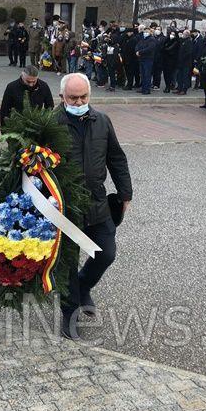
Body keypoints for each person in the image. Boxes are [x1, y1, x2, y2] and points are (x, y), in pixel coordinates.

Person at [55, 73, 133, 340]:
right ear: (62, 97)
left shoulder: (102, 121)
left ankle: (83, 284)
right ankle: (69, 314)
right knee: (67, 262)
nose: (79, 102)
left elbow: (116, 158)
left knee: (106, 253)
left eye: (83, 97)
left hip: (97, 201)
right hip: (65, 206)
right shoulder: (51, 124)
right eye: (73, 98)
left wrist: (125, 193)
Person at [134, 26, 157, 95]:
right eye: (145, 31)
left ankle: (147, 89)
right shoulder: (142, 38)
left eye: (147, 31)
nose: (146, 33)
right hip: (141, 58)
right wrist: (137, 51)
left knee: (147, 75)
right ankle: (143, 88)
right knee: (142, 75)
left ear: (150, 32)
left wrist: (140, 52)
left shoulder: (152, 39)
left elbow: (149, 48)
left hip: (148, 59)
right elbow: (137, 45)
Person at [174, 29, 195, 95]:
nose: (182, 35)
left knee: (185, 77)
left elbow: (188, 53)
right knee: (179, 76)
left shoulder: (189, 42)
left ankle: (184, 89)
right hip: (180, 63)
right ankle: (179, 88)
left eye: (183, 34)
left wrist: (182, 58)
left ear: (186, 34)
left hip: (186, 63)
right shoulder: (183, 41)